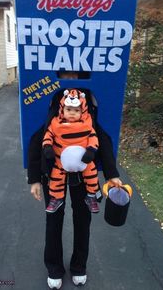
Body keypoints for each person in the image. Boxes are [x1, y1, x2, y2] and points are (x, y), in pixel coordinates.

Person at [28, 71, 122, 289]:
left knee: (83, 220)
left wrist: (112, 174)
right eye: (65, 75)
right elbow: (36, 138)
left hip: (83, 174)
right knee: (53, 221)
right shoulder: (53, 102)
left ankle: (79, 266)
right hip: (53, 173)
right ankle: (54, 268)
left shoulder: (89, 103)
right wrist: (34, 179)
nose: (69, 79)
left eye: (74, 75)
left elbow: (103, 138)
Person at [42, 88, 100, 214]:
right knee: (56, 176)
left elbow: (93, 137)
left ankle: (91, 196)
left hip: (84, 160)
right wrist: (47, 147)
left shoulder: (87, 123)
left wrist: (91, 150)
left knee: (91, 174)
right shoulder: (56, 123)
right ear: (62, 109)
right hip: (61, 160)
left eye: (76, 110)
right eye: (68, 109)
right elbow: (48, 135)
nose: (72, 113)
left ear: (83, 111)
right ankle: (56, 198)